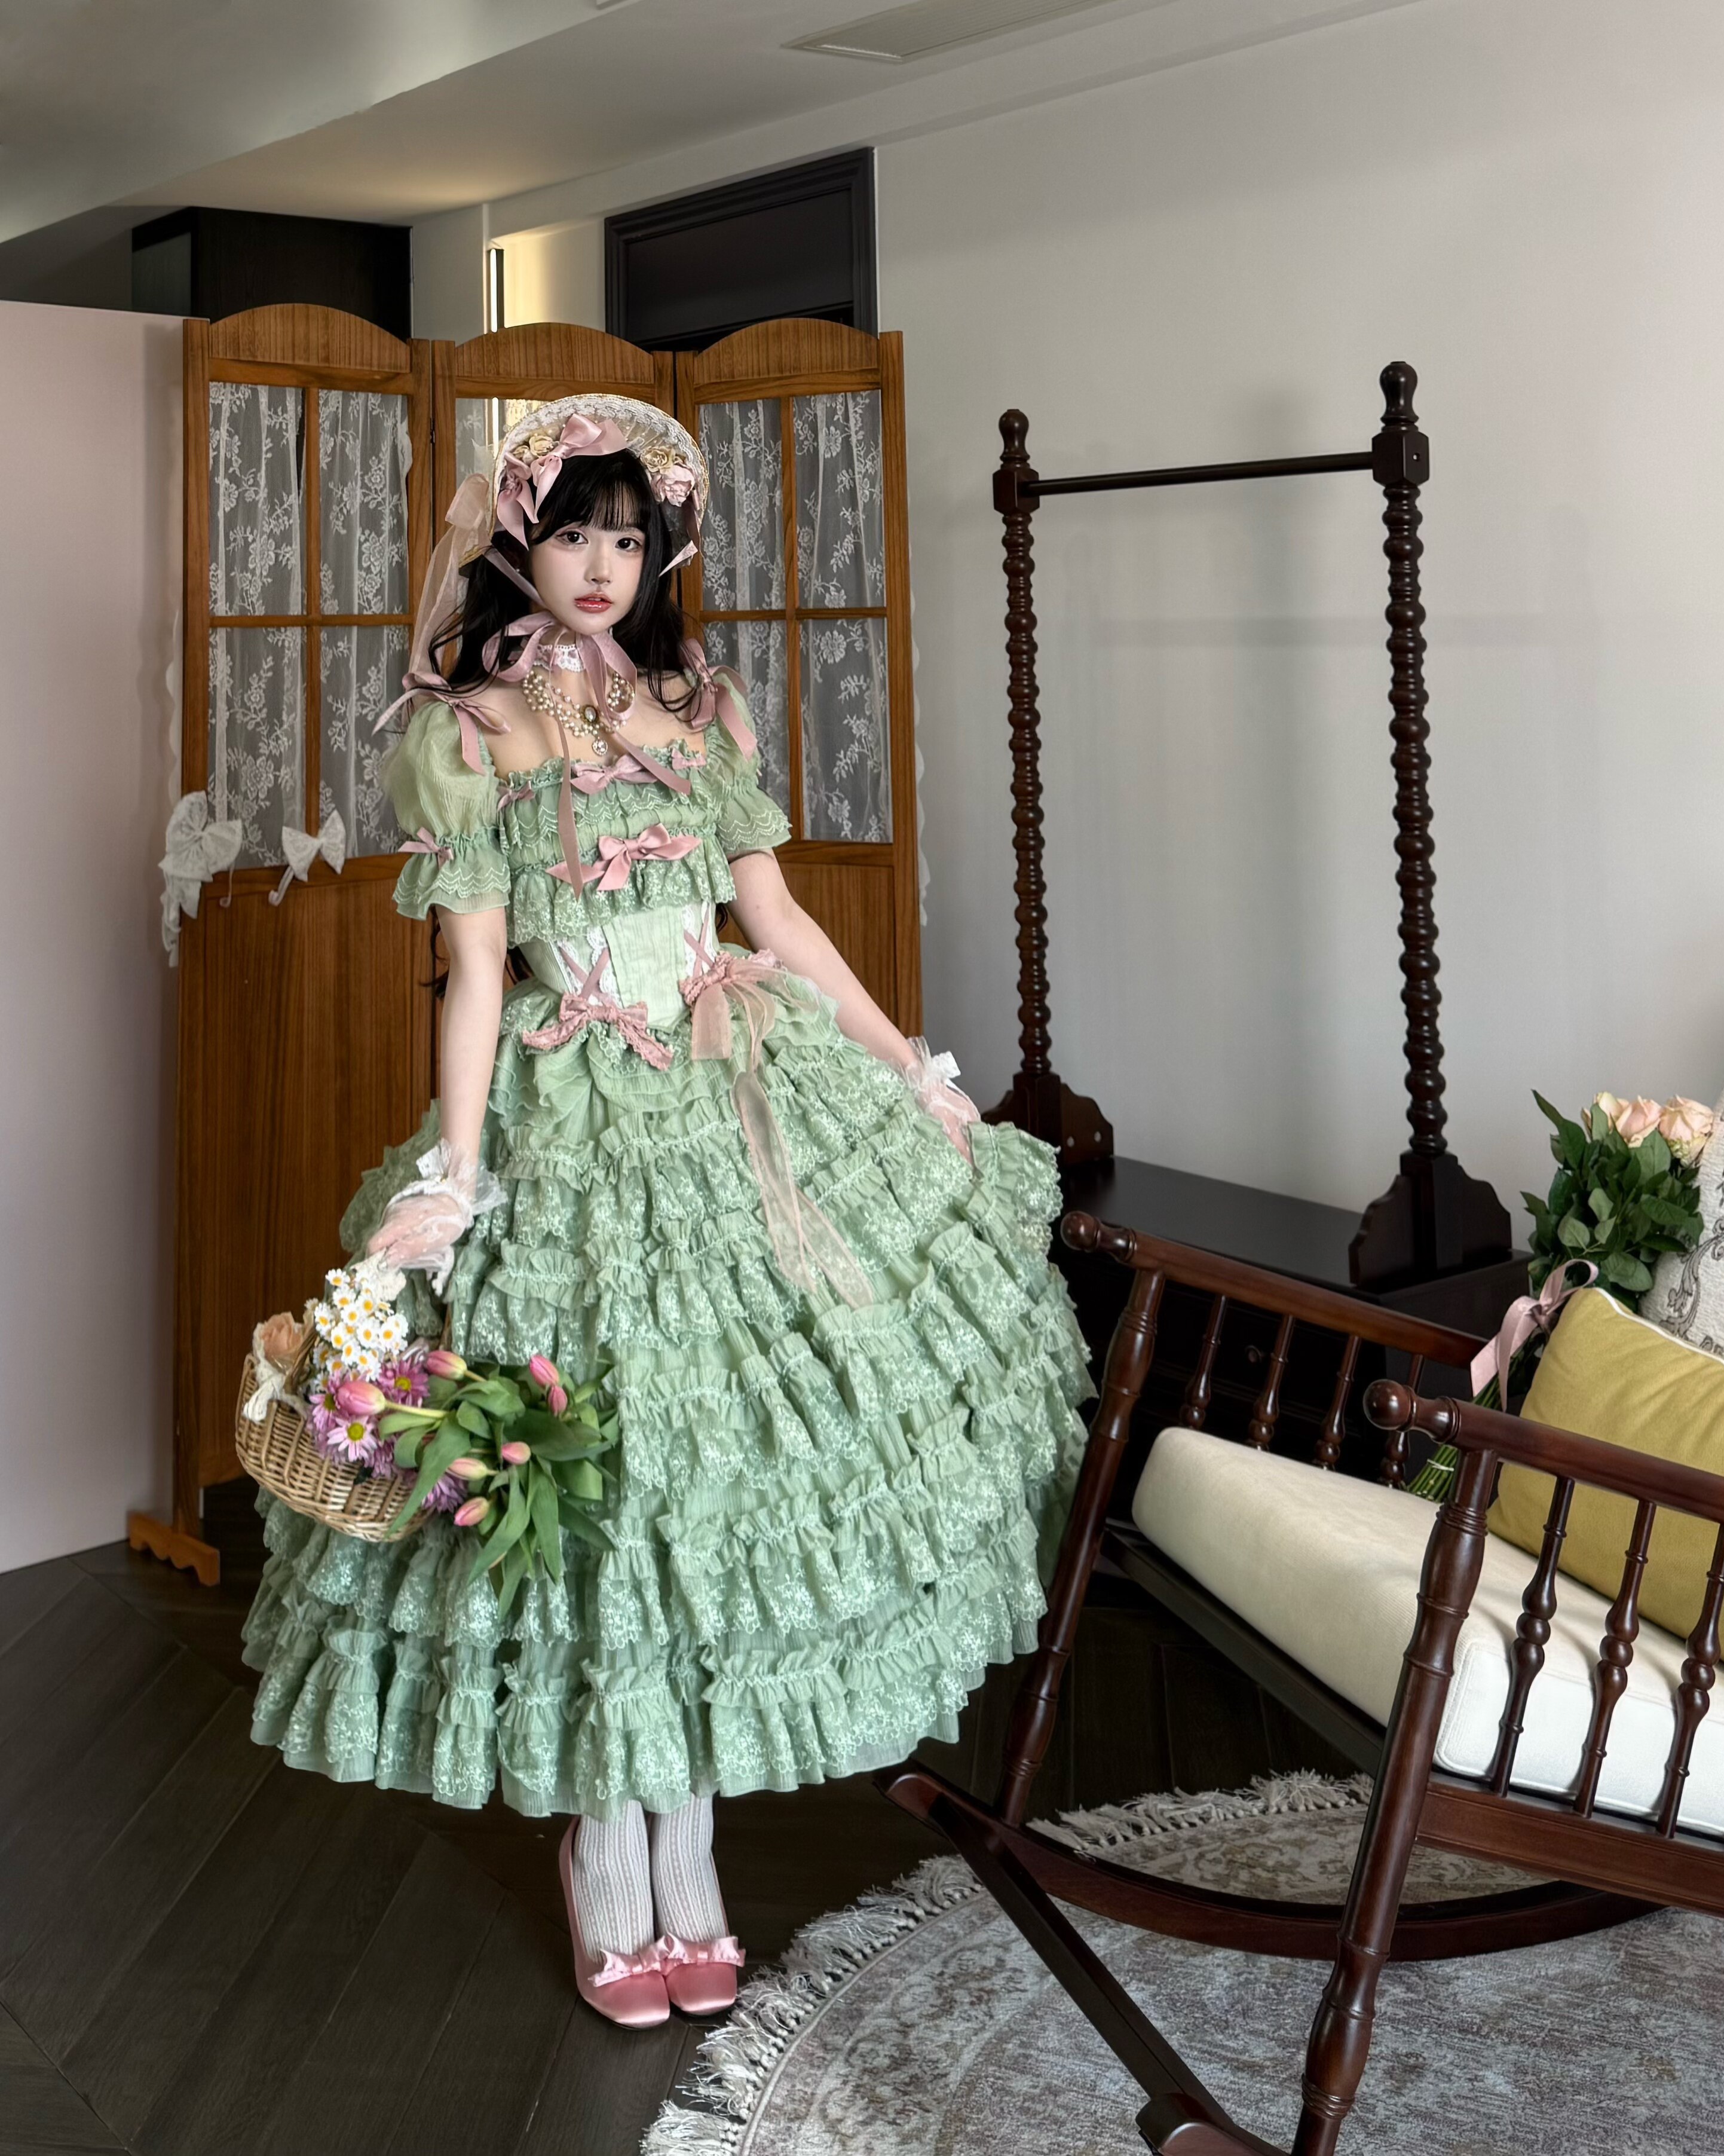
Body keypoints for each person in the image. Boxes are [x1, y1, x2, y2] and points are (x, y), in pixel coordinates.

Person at [238, 394, 1093, 2029]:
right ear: (520, 548)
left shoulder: (700, 711)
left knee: (723, 1470)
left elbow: (777, 918)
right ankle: (604, 1843)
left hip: (734, 1086)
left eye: (628, 540)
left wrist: (906, 1064)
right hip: (571, 1112)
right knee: (603, 1483)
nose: (602, 566)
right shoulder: (474, 733)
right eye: (573, 533)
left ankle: (686, 1844)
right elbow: (475, 975)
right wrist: (457, 1172)